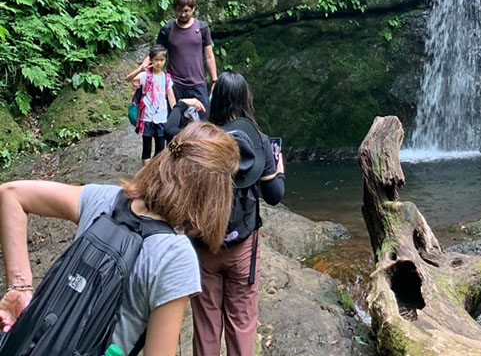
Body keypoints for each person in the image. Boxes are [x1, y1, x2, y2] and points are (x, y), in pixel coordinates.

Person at [0, 122, 239, 356]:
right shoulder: (176, 256)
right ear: (213, 192)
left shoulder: (103, 200)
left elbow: (11, 194)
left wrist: (19, 287)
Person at [186, 72, 285, 356]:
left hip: (203, 244)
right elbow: (275, 196)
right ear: (246, 100)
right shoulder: (259, 141)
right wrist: (279, 167)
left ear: (214, 101)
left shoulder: (199, 139)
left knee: (206, 324)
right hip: (242, 246)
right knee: (241, 322)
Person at [143, 0, 217, 119]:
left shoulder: (202, 28)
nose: (183, 14)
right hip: (174, 85)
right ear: (174, 10)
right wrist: (144, 69)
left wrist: (215, 80)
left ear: (193, 9)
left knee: (202, 126)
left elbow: (209, 56)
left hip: (198, 85)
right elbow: (155, 53)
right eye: (179, 11)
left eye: (187, 11)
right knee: (174, 125)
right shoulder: (167, 30)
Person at [126, 44, 176, 165]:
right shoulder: (145, 76)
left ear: (165, 60)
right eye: (156, 60)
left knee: (160, 149)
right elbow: (128, 79)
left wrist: (175, 114)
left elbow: (170, 96)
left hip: (161, 118)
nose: (159, 63)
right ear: (151, 60)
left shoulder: (167, 79)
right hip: (147, 118)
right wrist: (141, 69)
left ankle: (154, 171)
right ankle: (145, 174)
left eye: (162, 60)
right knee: (146, 149)